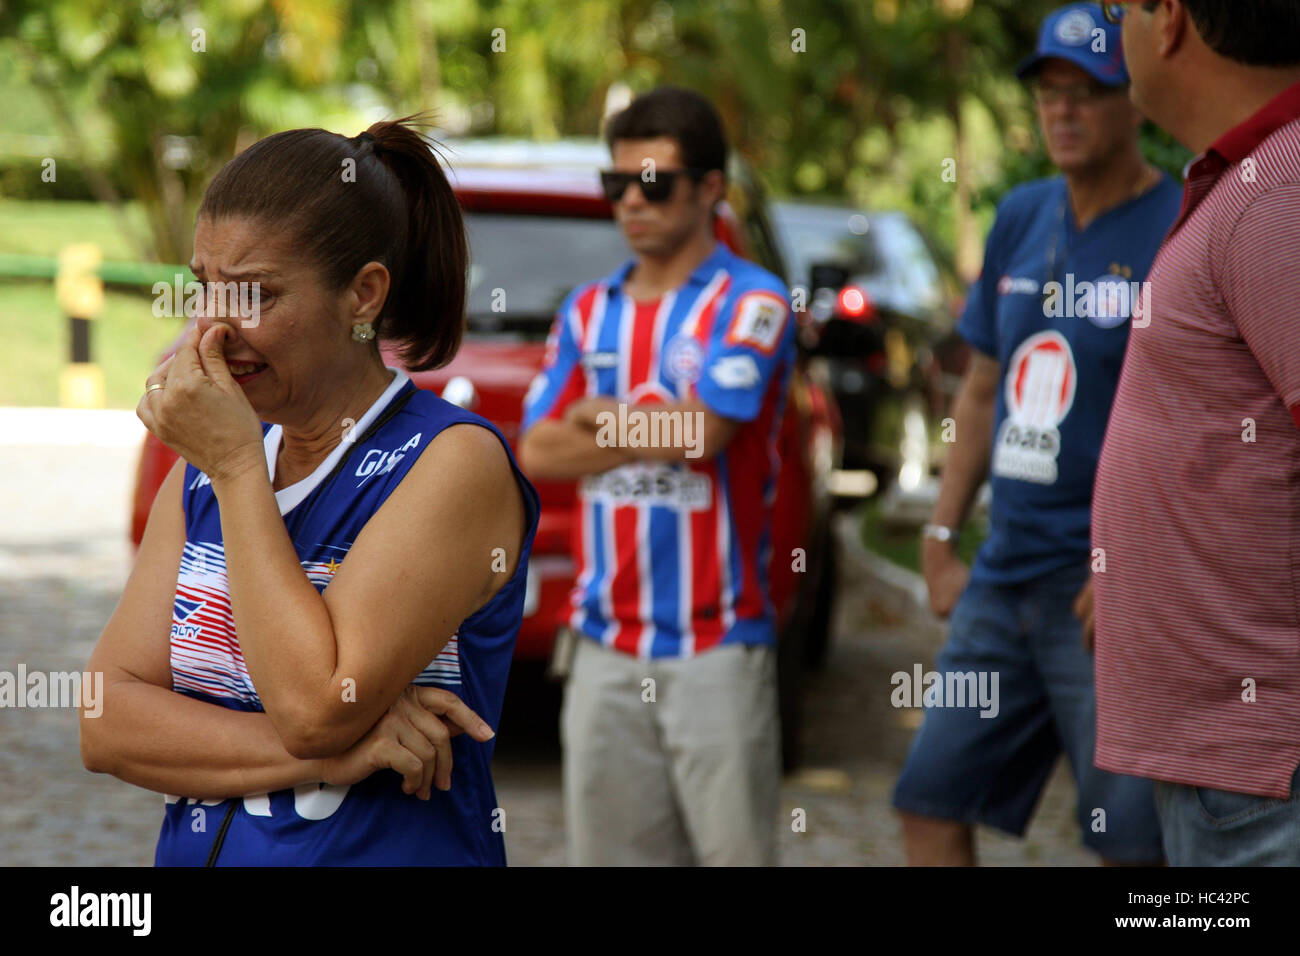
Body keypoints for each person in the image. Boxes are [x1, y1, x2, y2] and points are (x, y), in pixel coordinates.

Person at [79, 118, 539, 866]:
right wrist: (338, 757)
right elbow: (106, 722)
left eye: (255, 294)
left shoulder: (451, 462)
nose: (213, 330)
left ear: (362, 297)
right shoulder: (204, 469)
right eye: (205, 287)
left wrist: (235, 470)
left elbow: (320, 707)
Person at [891, 3, 1181, 865]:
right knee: (929, 800)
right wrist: (943, 539)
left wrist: (1136, 557)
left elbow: (1201, 425)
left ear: (1135, 98)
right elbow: (981, 390)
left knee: (1133, 845)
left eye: (1087, 92)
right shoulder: (1020, 216)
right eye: (1049, 92)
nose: (1063, 110)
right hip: (1002, 574)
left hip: (1105, 591)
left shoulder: (1178, 225)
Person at [517, 86, 796, 866]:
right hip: (602, 643)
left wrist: (596, 416)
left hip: (717, 645)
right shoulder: (586, 311)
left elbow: (707, 432)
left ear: (711, 187)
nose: (631, 203)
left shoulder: (753, 300)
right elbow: (537, 454)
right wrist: (652, 429)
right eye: (617, 185)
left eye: (655, 183)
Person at [1092, 0, 1300, 866]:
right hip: (1231, 766)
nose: (1116, 31)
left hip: (1263, 770)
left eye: (1117, 7)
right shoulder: (1251, 180)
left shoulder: (1276, 195)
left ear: (1169, 18)